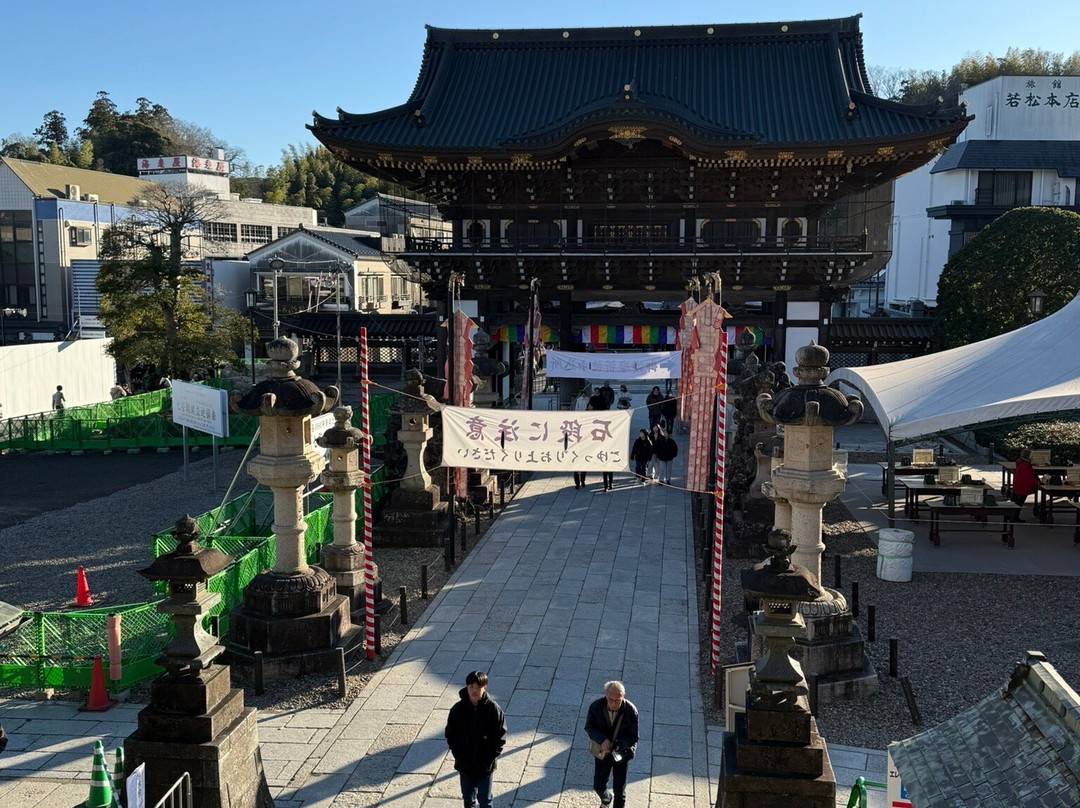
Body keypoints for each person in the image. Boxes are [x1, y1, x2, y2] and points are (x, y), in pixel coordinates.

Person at [445, 671, 507, 808]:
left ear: (484, 688)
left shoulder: (493, 710)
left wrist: (491, 756)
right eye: (471, 686)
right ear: (467, 687)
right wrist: (459, 754)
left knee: (485, 799)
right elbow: (451, 735)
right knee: (468, 799)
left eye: (478, 687)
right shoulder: (458, 710)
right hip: (465, 764)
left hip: (485, 765)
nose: (474, 690)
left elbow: (500, 736)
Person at [584, 681, 639, 808]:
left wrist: (620, 744)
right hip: (603, 752)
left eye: (617, 700)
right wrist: (602, 740)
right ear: (606, 695)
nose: (614, 703)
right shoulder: (596, 707)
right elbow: (590, 727)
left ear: (623, 696)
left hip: (621, 754)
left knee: (620, 790)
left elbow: (633, 737)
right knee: (598, 785)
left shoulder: (631, 711)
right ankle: (606, 798)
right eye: (611, 699)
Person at [588, 388, 614, 491]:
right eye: (595, 392)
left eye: (597, 392)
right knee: (605, 473)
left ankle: (610, 484)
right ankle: (606, 486)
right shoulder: (592, 398)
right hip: (594, 416)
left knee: (610, 472)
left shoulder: (602, 398)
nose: (596, 393)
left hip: (600, 416)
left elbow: (605, 406)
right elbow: (589, 406)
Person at [574, 387, 595, 489]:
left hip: (582, 452)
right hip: (575, 453)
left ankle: (582, 481)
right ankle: (578, 483)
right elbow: (577, 407)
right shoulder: (578, 400)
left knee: (583, 469)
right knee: (576, 469)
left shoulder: (587, 401)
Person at [1012, 447, 1039, 521]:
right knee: (1019, 503)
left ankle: (1011, 515)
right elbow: (1029, 477)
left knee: (1015, 502)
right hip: (1023, 487)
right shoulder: (1025, 465)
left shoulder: (1020, 463)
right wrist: (1036, 483)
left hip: (1018, 485)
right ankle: (1015, 517)